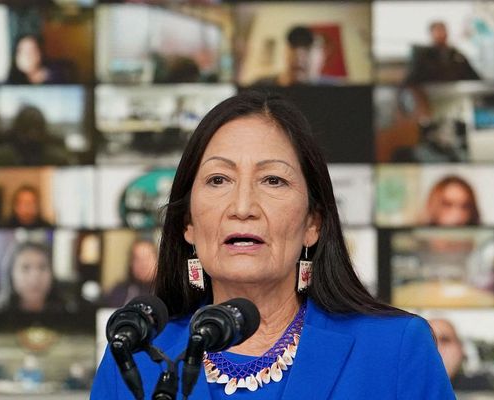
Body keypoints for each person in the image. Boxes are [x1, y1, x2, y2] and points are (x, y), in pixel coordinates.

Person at [91, 91, 453, 398]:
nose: (243, 207)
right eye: (219, 180)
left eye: (273, 180)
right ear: (188, 224)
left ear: (313, 223)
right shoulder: (133, 358)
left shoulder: (396, 348)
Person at [0, 242, 76, 313]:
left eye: (42, 267)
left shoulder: (70, 309)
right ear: (11, 274)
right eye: (25, 268)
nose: (35, 276)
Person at [405, 21, 481, 84]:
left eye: (443, 30)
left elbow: (474, 77)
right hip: (431, 96)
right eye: (438, 31)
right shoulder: (423, 56)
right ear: (431, 34)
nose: (441, 34)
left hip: (455, 94)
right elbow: (412, 81)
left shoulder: (456, 55)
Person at [428, 318, 492, 390]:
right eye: (428, 341)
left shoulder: (484, 388)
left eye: (445, 340)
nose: (436, 348)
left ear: (461, 348)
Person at [254, 26, 326, 86]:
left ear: (322, 57)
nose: (299, 55)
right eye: (293, 46)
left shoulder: (333, 91)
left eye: (308, 48)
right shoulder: (260, 86)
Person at [101, 239, 158, 308]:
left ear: (157, 260)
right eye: (137, 259)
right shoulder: (119, 292)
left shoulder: (166, 291)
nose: (143, 264)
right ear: (131, 263)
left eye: (147, 258)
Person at [6, 35, 71, 84]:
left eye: (32, 50)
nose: (27, 56)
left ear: (40, 54)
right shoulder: (10, 82)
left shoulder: (57, 77)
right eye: (22, 51)